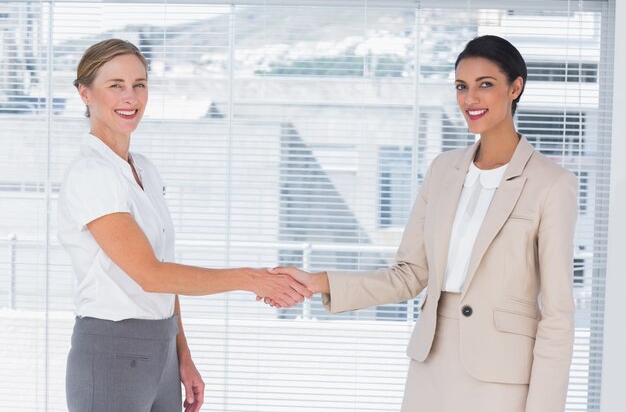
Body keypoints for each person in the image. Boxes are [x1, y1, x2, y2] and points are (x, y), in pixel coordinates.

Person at [270, 35, 578, 412]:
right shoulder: (443, 170)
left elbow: (558, 314)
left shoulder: (551, 184)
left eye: (486, 85)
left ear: (516, 88)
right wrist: (319, 282)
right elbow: (408, 275)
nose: (470, 99)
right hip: (431, 366)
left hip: (503, 380)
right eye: (462, 87)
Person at [58, 39, 311, 412]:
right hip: (111, 349)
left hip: (160, 350)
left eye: (139, 84)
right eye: (116, 85)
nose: (130, 97)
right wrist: (251, 279)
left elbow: (165, 273)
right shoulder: (92, 175)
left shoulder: (142, 168)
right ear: (85, 93)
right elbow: (151, 275)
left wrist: (182, 357)